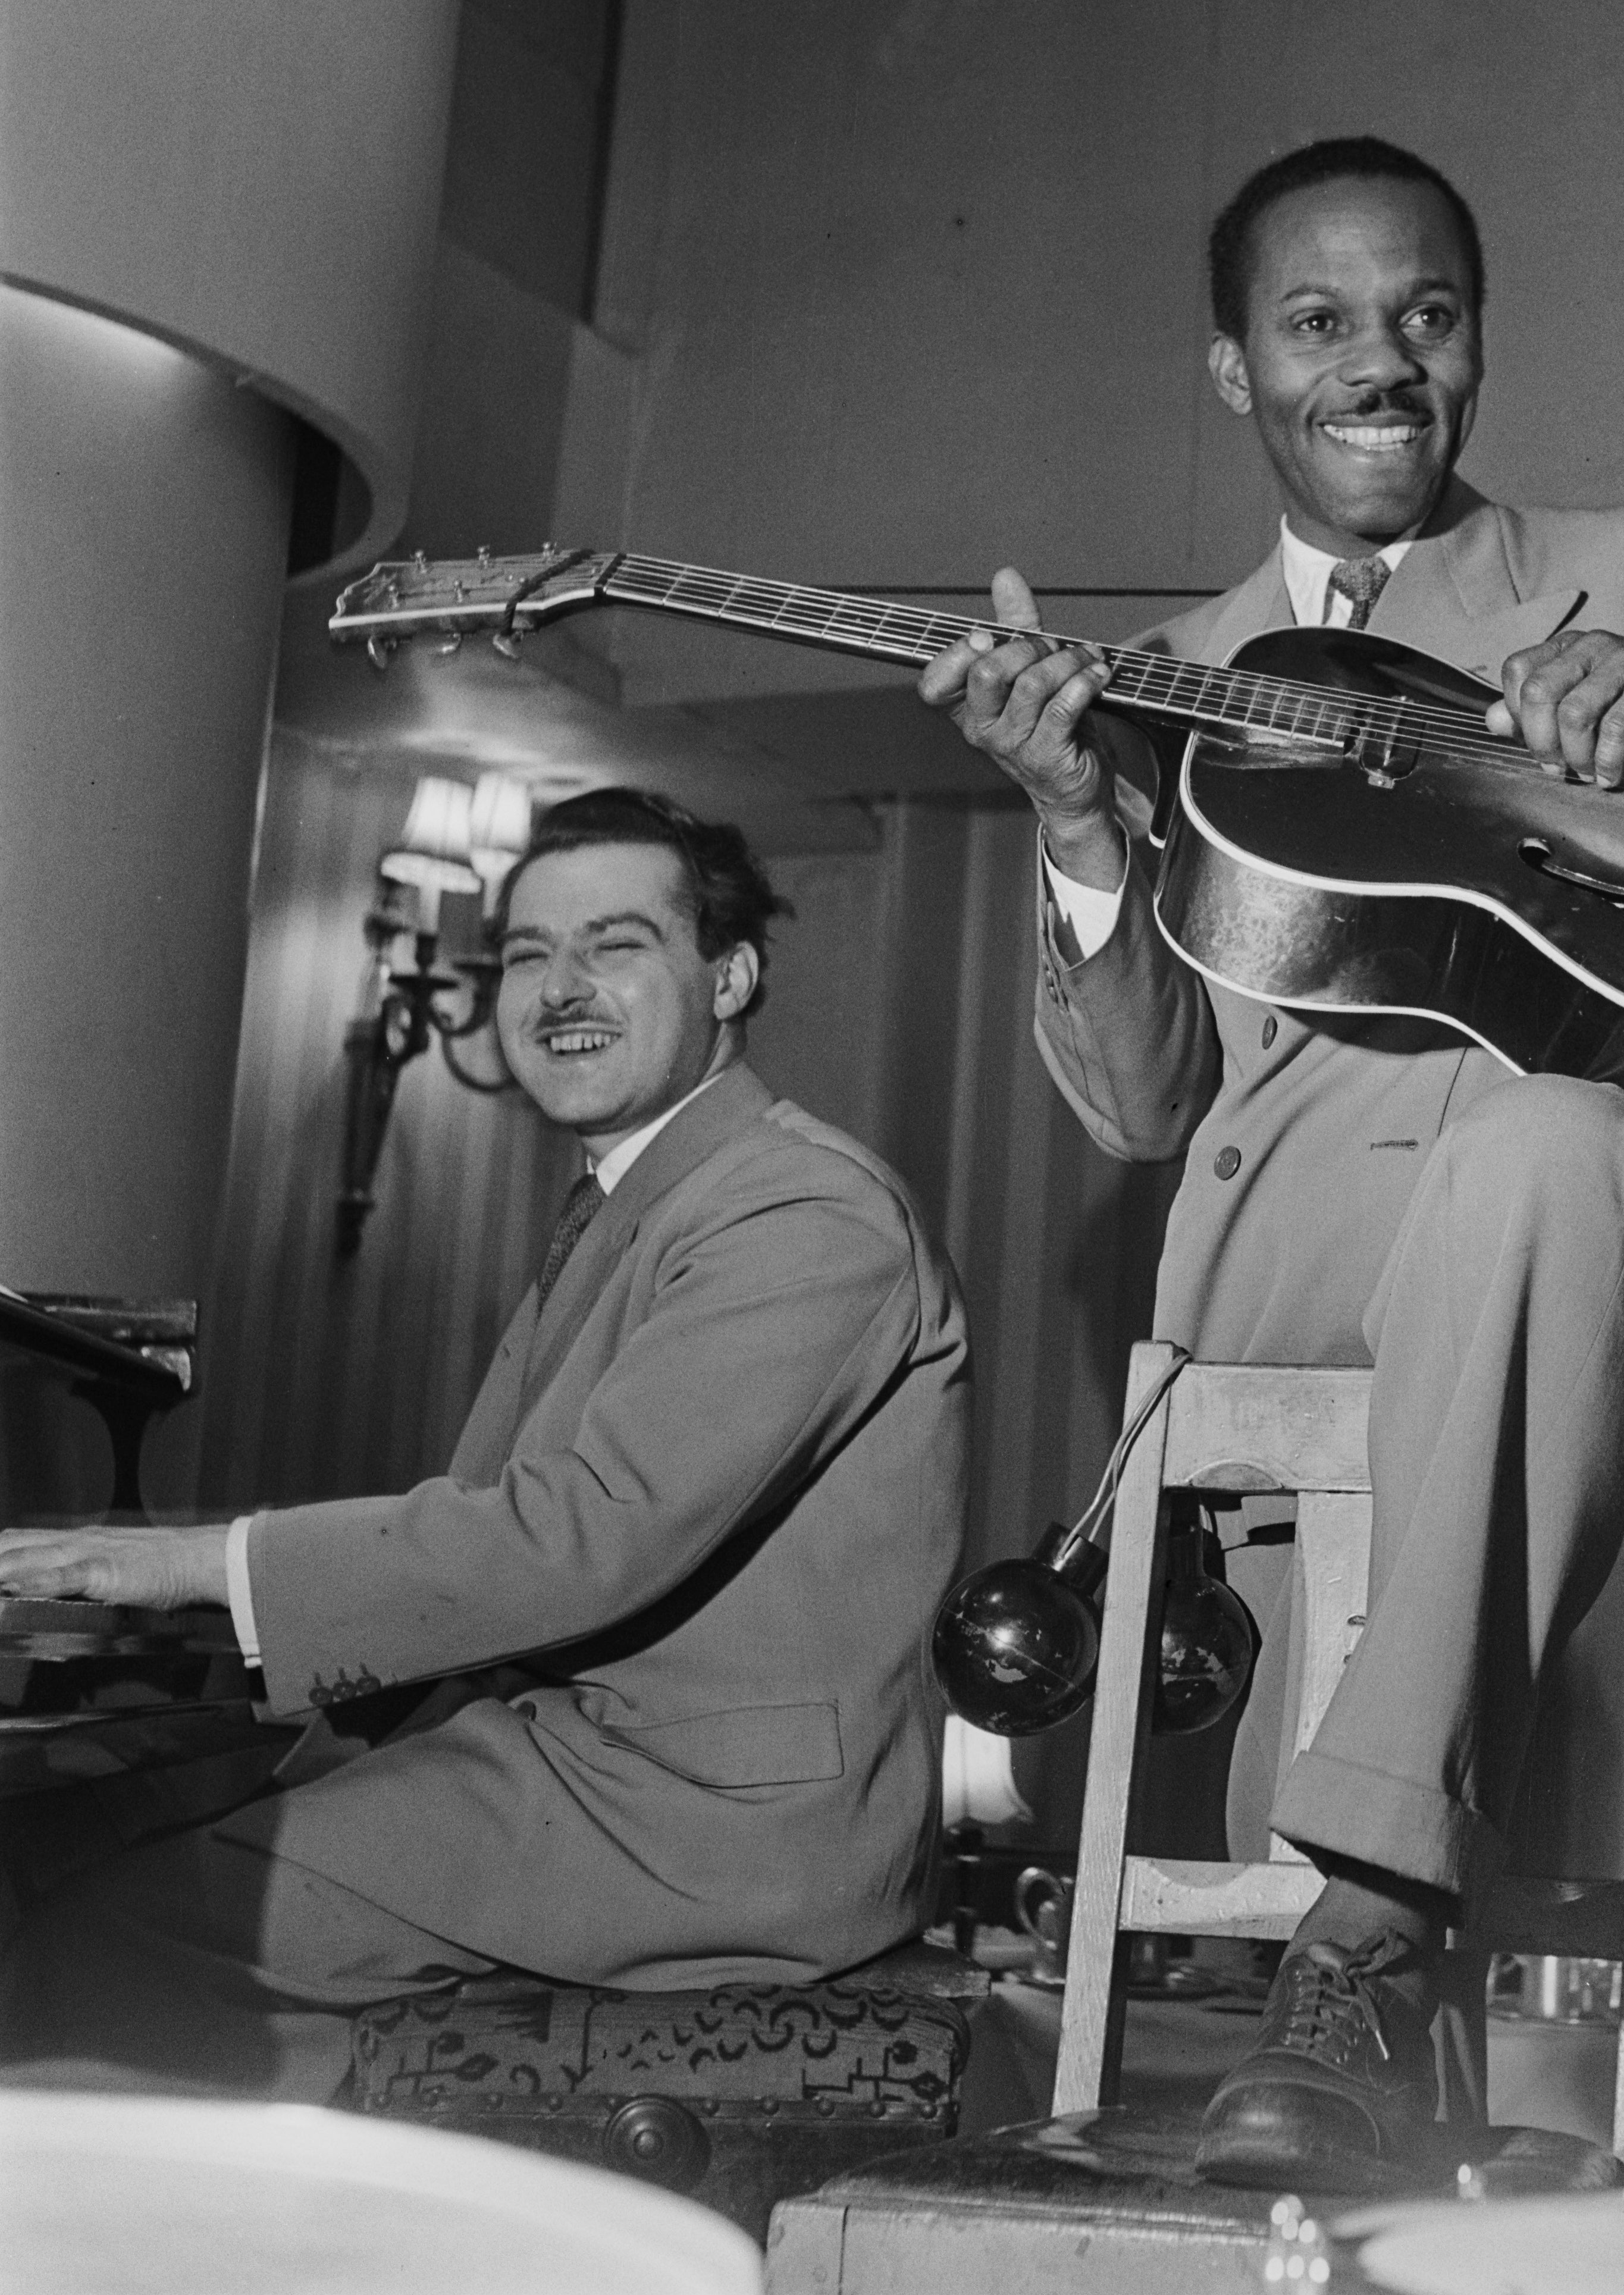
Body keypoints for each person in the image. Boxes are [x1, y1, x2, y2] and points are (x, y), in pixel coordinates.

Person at [917, 134, 1624, 2186]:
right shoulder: (1174, 678)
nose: (1377, 365)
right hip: (1299, 1247)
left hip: (1616, 1242)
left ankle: (1359, 1938)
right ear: (1229, 375)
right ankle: (1369, 1958)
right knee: (1515, 1138)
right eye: (1316, 323)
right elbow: (1137, 1108)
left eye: (1422, 317)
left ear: (1472, 347)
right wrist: (1080, 826)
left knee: (1544, 1136)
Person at [0, 788, 970, 2096]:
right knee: (61, 1843)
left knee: (111, 1936)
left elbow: (580, 1537)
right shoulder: (648, 1193)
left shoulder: (799, 1206)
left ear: (730, 973)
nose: (560, 988)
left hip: (705, 1824)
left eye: (615, 944)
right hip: (587, 1763)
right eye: (526, 954)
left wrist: (192, 1568)